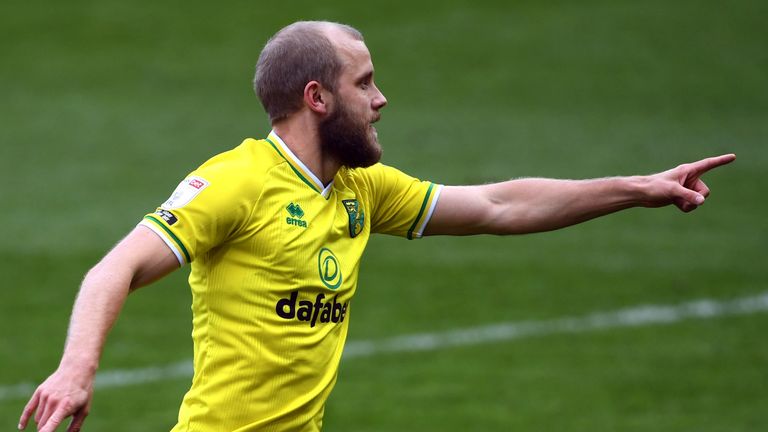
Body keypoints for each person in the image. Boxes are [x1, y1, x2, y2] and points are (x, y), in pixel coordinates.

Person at [19, 20, 735, 432]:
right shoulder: (237, 181)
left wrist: (637, 188)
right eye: (364, 83)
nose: (382, 98)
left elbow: (498, 207)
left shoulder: (360, 188)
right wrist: (77, 370)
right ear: (316, 98)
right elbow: (112, 267)